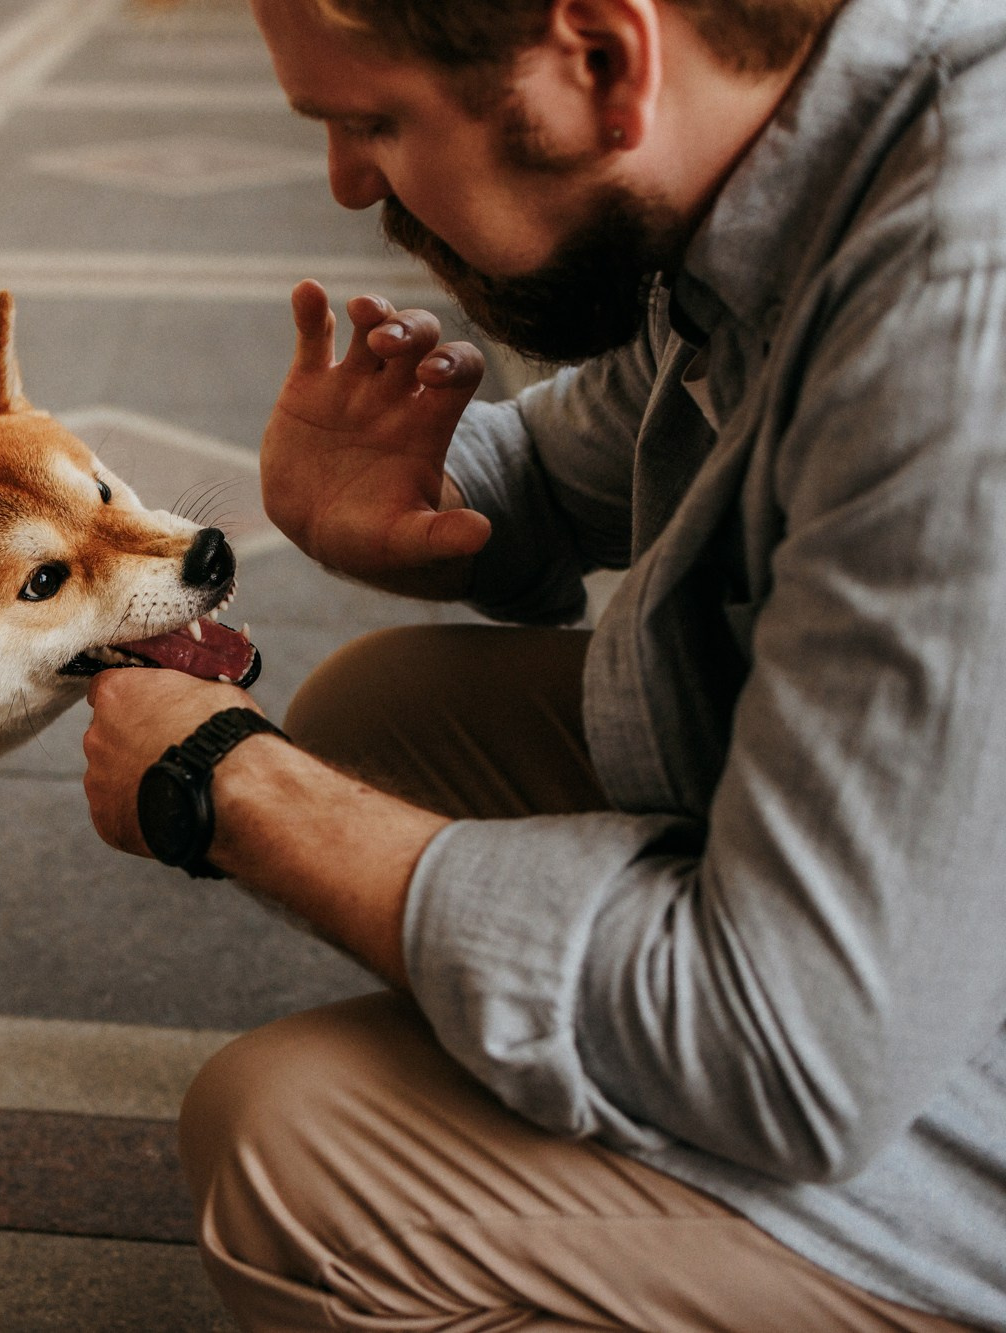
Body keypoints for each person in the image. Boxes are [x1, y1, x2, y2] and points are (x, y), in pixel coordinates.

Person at [79, 0, 1006, 1327]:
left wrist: (229, 786)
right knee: (372, 715)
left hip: (896, 1059)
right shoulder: (809, 143)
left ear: (602, 62)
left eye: (372, 122)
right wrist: (419, 491)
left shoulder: (956, 328)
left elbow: (796, 1045)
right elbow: (574, 457)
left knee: (289, 1152)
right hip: (922, 916)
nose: (347, 183)